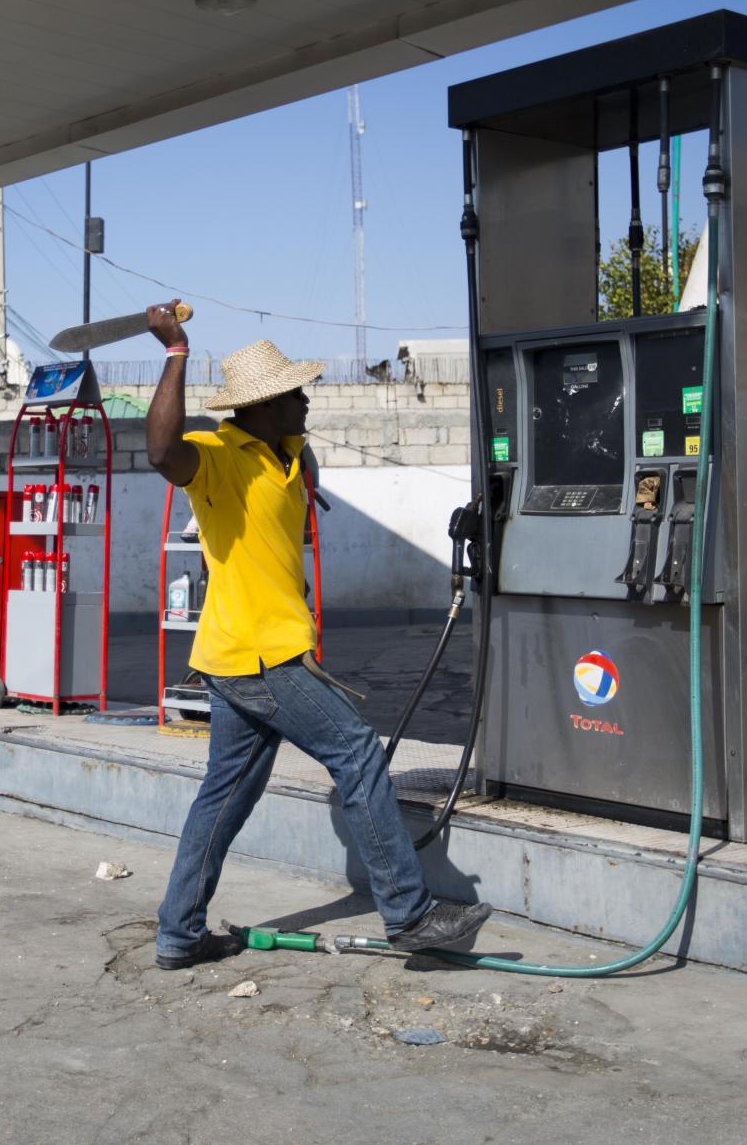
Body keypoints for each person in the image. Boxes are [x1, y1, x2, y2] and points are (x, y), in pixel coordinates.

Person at [143, 302, 491, 969]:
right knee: (357, 752)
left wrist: (307, 484)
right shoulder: (218, 457)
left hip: (236, 653)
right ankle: (409, 914)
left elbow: (292, 483)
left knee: (224, 794)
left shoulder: (286, 450)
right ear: (264, 404)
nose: (307, 400)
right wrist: (176, 351)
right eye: (295, 392)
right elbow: (160, 450)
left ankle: (178, 933)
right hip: (259, 654)